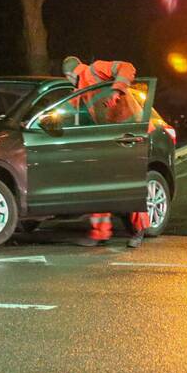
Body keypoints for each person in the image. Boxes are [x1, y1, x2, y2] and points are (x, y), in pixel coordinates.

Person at [61, 56, 150, 248]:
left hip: (130, 132)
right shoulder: (80, 90)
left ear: (70, 74)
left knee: (129, 182)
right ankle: (100, 233)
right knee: (101, 182)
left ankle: (139, 231)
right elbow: (68, 111)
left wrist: (117, 89)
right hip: (111, 137)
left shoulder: (95, 70)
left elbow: (127, 66)